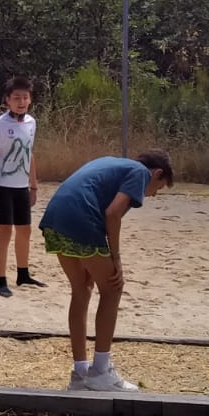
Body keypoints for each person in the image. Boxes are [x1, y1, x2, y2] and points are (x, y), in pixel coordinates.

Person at [38, 149, 173, 391]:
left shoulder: (113, 163)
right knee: (113, 287)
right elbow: (112, 214)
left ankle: (80, 375)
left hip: (54, 220)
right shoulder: (140, 173)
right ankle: (101, 371)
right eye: (159, 188)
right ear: (157, 173)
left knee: (82, 289)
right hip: (80, 220)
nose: (153, 194)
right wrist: (116, 258)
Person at [0, 75, 43, 297]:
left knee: (25, 230)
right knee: (5, 231)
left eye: (25, 97)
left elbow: (29, 154)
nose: (21, 102)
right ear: (7, 100)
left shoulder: (31, 123)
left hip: (21, 186)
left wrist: (33, 186)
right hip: (1, 186)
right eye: (17, 97)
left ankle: (23, 273)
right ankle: (0, 280)